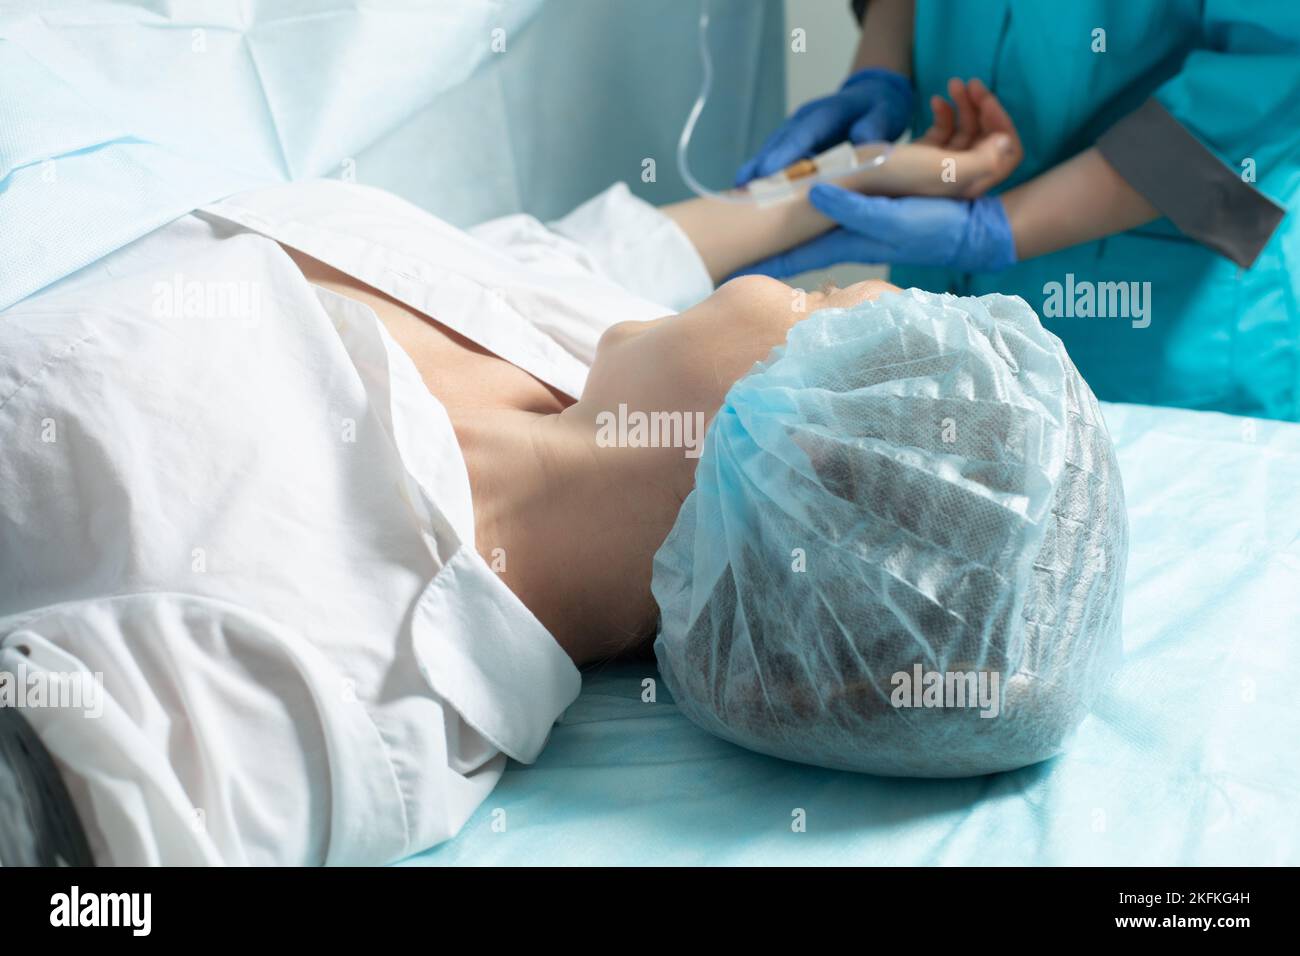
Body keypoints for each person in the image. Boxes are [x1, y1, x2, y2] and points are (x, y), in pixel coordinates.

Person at [0, 85, 1116, 864]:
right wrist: (864, 172)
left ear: (791, 457)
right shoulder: (575, 346)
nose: (786, 290)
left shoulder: (351, 688)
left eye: (822, 306)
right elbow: (640, 250)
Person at [737, 0, 1299, 420]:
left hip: (1157, 321)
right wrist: (881, 70)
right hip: (942, 265)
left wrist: (1002, 228)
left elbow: (1274, 71)